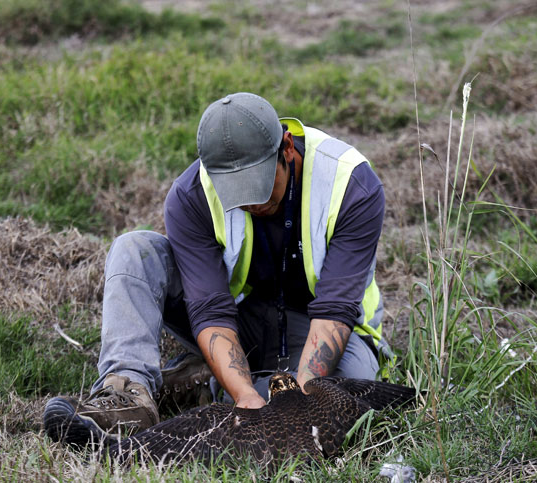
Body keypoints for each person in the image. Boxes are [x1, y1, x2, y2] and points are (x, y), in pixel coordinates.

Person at [43, 92, 392, 445]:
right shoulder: (191, 193)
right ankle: (128, 393)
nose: (253, 203)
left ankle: (206, 381)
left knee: (350, 403)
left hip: (321, 325)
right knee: (135, 249)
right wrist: (245, 397)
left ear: (286, 148)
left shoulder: (350, 183)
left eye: (260, 187)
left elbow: (335, 309)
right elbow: (210, 309)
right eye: (238, 192)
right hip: (240, 320)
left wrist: (301, 404)